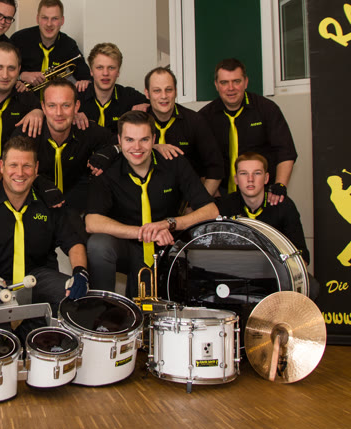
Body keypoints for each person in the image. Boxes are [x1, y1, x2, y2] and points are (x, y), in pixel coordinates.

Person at [0, 136, 89, 324]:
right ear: (1, 167)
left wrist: (80, 272)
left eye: (27, 166)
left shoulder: (49, 202)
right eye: (13, 165)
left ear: (36, 168)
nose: (20, 173)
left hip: (36, 280)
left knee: (76, 300)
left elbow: (73, 242)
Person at [85, 111, 219, 299]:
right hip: (126, 243)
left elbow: (210, 211)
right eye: (129, 140)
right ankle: (101, 307)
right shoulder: (108, 170)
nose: (137, 147)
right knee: (99, 245)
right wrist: (144, 232)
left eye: (144, 140)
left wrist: (168, 224)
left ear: (154, 139)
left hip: (167, 242)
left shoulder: (174, 162)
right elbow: (92, 222)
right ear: (120, 140)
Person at [199, 58, 297, 203]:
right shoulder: (204, 117)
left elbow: (285, 152)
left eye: (236, 81)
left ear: (246, 82)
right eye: (224, 82)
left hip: (264, 194)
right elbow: (200, 161)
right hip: (221, 194)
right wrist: (215, 196)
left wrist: (280, 186)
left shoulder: (267, 109)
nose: (230, 88)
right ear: (216, 85)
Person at [14, 78, 114, 212]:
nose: (59, 113)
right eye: (52, 106)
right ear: (43, 107)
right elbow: (7, 169)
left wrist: (110, 152)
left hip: (75, 209)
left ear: (76, 107)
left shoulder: (84, 128)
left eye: (66, 105)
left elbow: (120, 141)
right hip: (33, 208)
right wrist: (36, 180)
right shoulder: (27, 133)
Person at [214, 152, 309, 264]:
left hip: (275, 270)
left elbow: (303, 258)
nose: (250, 179)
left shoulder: (283, 205)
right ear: (236, 179)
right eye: (243, 173)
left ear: (266, 178)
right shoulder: (224, 205)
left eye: (257, 173)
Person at [143, 67, 223, 195]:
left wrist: (200, 203)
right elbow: (120, 150)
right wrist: (153, 147)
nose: (164, 96)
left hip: (187, 198)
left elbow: (215, 168)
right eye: (157, 91)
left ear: (175, 91)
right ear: (147, 94)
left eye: (169, 90)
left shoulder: (195, 121)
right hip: (145, 197)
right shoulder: (137, 123)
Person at [0, 42, 43, 161]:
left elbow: (48, 110)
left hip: (12, 170)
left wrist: (38, 111)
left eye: (11, 68)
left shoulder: (27, 98)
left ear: (19, 70)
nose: (5, 75)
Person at [10, 0, 91, 92]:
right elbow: (1, 71)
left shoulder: (69, 45)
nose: (49, 24)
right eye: (45, 18)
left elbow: (86, 77)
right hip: (22, 98)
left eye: (54, 19)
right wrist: (20, 76)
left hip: (55, 100)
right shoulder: (19, 39)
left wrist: (85, 82)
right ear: (37, 19)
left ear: (62, 21)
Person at [78, 43, 148, 134]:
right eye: (100, 67)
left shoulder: (129, 96)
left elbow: (160, 107)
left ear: (118, 72)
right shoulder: (77, 95)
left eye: (111, 68)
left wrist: (147, 106)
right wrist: (70, 116)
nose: (105, 73)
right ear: (91, 71)